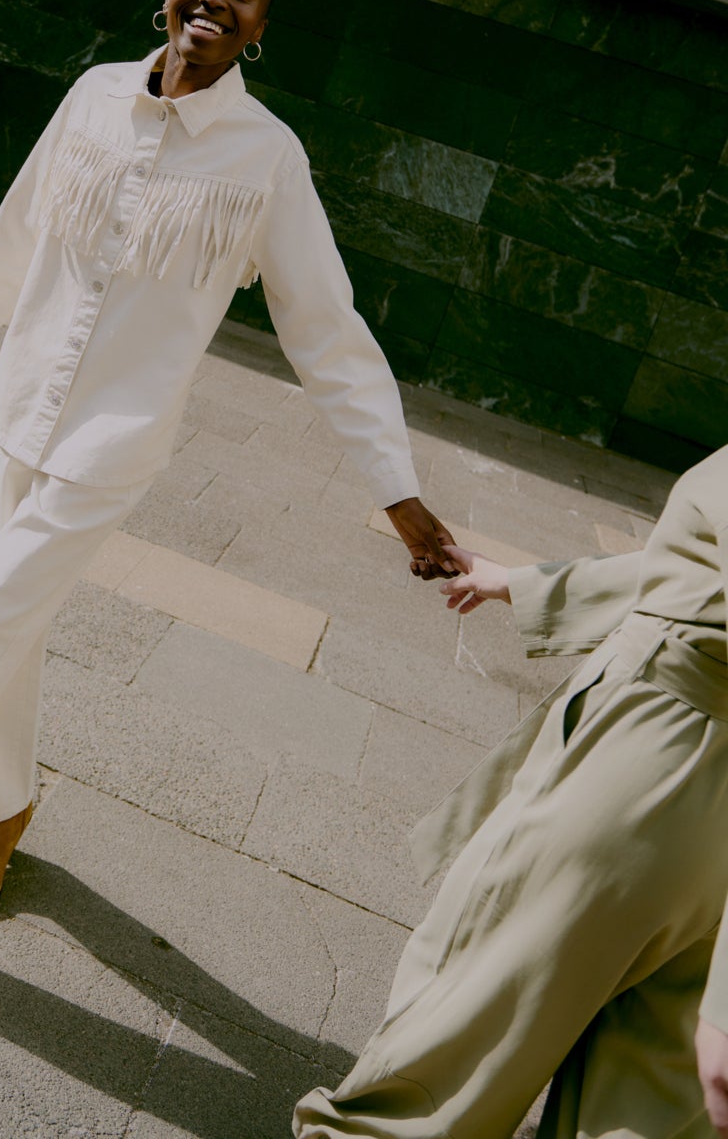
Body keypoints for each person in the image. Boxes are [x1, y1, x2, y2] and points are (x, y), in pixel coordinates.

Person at [0, 0, 457, 968]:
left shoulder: (267, 158)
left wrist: (397, 491)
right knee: (8, 631)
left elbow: (325, 328)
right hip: (19, 407)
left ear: (261, 27)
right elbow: (21, 225)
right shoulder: (94, 94)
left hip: (110, 449)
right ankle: (8, 805)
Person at [293, 443, 728, 1139]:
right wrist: (530, 586)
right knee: (644, 1104)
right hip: (701, 819)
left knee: (448, 1062)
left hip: (642, 774)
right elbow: (696, 573)